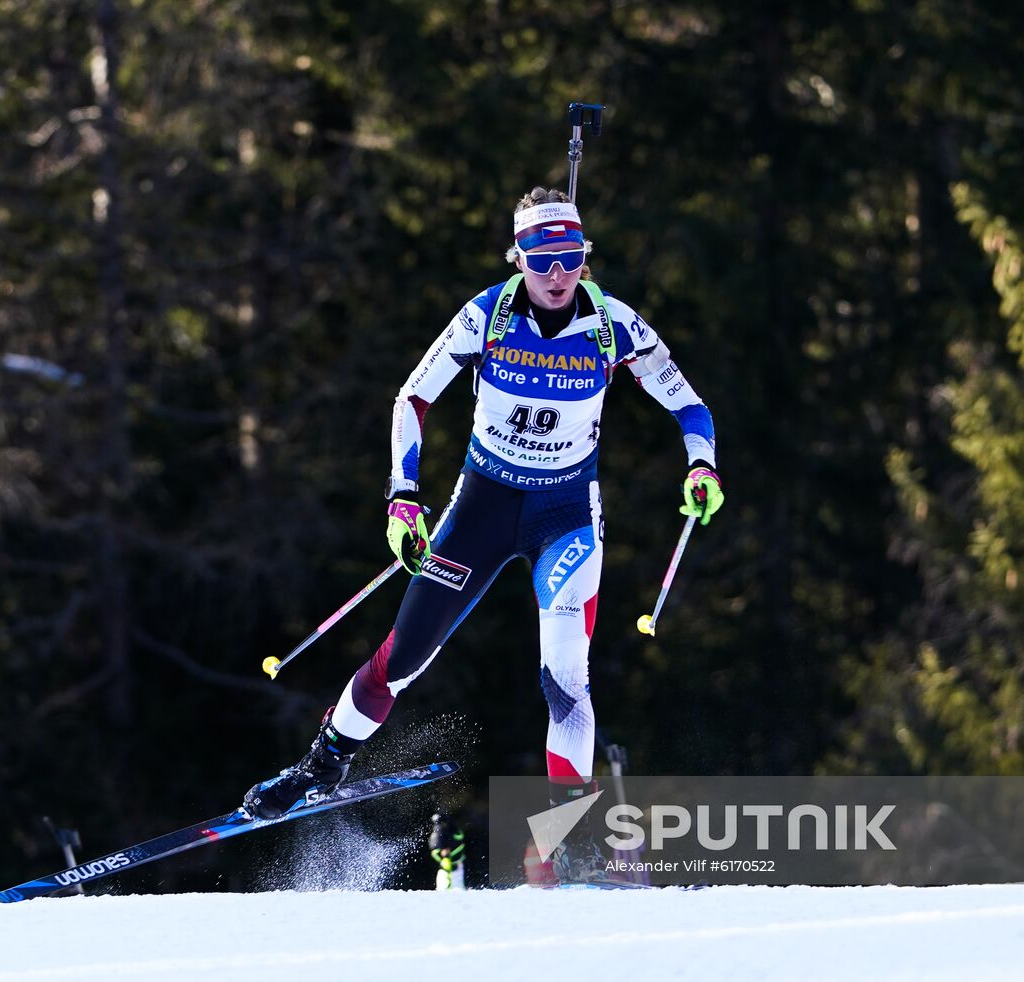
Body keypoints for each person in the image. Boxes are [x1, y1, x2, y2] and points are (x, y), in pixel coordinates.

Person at [244, 187, 722, 879]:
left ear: (584, 259)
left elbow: (686, 400)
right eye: (541, 257)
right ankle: (321, 766)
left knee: (565, 678)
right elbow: (412, 398)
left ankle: (566, 830)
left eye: (570, 258)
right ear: (519, 257)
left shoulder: (616, 326)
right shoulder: (486, 317)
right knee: (399, 661)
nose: (557, 273)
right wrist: (402, 499)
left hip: (565, 516)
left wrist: (701, 464)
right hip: (482, 511)